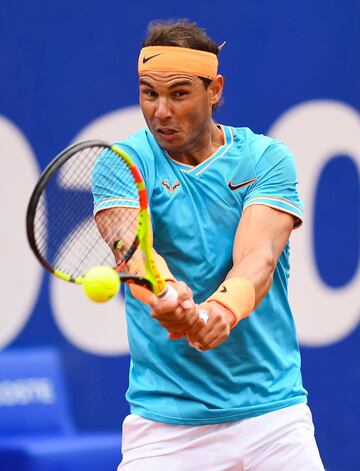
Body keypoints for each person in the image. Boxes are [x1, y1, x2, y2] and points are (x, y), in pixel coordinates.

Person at [93, 19, 324, 471]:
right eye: (148, 92)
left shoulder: (265, 158)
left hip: (274, 421)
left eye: (179, 93)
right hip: (165, 428)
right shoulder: (121, 162)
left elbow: (259, 256)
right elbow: (130, 248)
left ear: (214, 90)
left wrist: (222, 309)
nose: (161, 111)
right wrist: (162, 291)